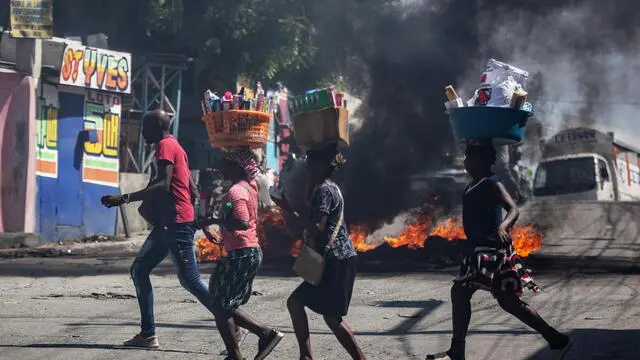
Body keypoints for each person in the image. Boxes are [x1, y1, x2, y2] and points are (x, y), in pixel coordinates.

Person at [426, 142, 572, 360]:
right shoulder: (472, 185)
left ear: (481, 161)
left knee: (461, 291)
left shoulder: (491, 183)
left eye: (469, 157)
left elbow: (513, 208)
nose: (465, 162)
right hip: (479, 249)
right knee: (508, 301)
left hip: (491, 251)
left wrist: (503, 226)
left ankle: (457, 351)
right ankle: (556, 339)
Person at [100, 110, 210, 348]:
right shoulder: (176, 146)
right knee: (139, 270)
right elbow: (191, 188)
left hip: (175, 223)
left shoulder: (164, 146)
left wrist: (124, 198)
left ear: (159, 126)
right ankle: (148, 334)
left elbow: (163, 184)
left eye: (146, 126)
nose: (143, 132)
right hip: (169, 223)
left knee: (191, 281)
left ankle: (235, 322)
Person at [284, 146, 366, 360]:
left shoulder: (325, 191)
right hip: (337, 259)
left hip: (336, 260)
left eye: (311, 162)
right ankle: (306, 356)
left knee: (330, 317)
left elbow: (316, 227)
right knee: (306, 307)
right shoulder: (326, 187)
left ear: (323, 166)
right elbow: (310, 206)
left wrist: (288, 211)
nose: (307, 166)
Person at [201, 149, 284, 360]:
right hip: (244, 251)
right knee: (222, 304)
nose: (221, 167)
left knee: (221, 306)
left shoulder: (237, 191)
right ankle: (237, 352)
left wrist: (214, 221)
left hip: (242, 253)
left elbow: (241, 221)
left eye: (226, 164)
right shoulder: (246, 187)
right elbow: (230, 209)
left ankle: (264, 334)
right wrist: (219, 222)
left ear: (236, 168)